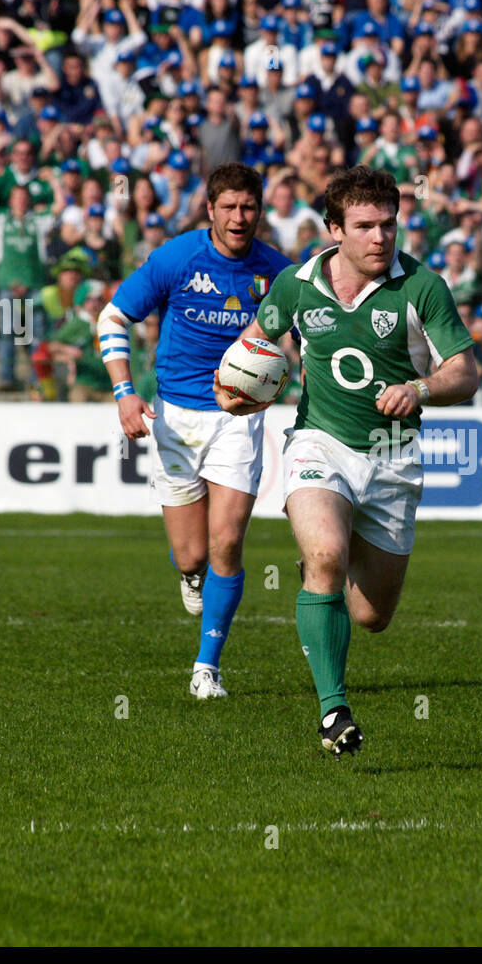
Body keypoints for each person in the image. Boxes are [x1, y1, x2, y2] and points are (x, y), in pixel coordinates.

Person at [229, 165, 480, 757]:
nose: (380, 238)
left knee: (371, 616)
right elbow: (253, 347)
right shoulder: (296, 283)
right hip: (320, 443)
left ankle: (325, 590)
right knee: (325, 557)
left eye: (388, 225)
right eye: (365, 226)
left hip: (394, 459)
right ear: (334, 228)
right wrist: (234, 389)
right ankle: (332, 712)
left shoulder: (423, 287)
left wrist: (419, 389)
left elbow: (466, 372)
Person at [98, 162, 292, 700]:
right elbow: (111, 318)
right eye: (228, 207)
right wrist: (124, 394)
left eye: (248, 207)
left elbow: (314, 334)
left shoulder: (280, 272)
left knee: (227, 542)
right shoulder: (175, 258)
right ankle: (189, 574)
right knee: (193, 556)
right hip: (174, 420)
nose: (239, 217)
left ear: (260, 211)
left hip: (239, 418)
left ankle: (207, 667)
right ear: (210, 210)